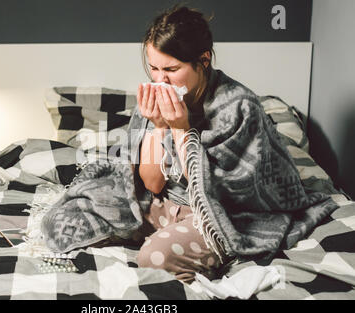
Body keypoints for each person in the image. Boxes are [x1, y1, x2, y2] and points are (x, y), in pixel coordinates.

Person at [126, 5, 337, 284]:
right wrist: (159, 126)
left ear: (203, 61)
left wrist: (181, 129)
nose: (160, 80)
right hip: (168, 204)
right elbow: (152, 185)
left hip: (224, 213)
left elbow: (222, 193)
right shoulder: (154, 99)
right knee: (106, 214)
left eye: (172, 69)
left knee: (154, 257)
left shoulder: (239, 106)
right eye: (153, 68)